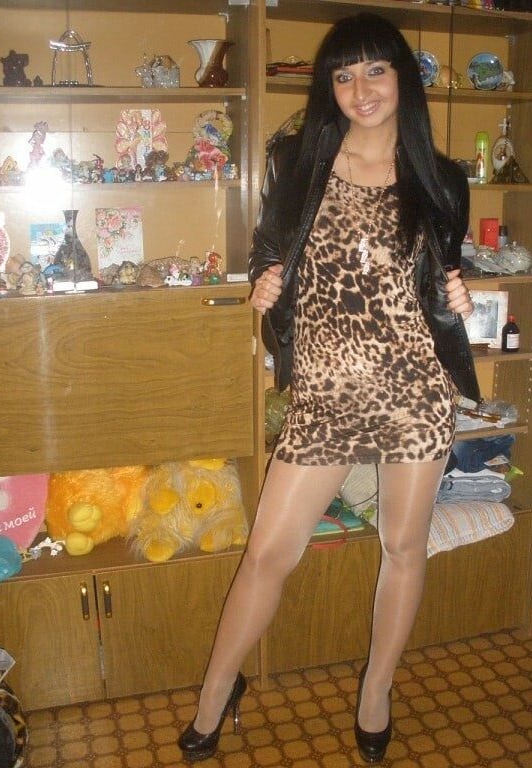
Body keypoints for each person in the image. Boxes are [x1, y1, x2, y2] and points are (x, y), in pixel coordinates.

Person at [179, 12, 480, 764]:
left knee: (403, 547)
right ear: (330, 87)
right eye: (344, 75)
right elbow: (268, 249)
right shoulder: (298, 159)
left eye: (375, 69)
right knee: (267, 554)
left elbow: (443, 276)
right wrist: (264, 281)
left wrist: (459, 296)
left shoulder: (442, 178)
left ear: (403, 77)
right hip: (325, 391)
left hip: (414, 388)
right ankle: (216, 691)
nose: (360, 89)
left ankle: (377, 688)